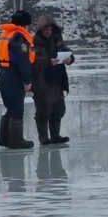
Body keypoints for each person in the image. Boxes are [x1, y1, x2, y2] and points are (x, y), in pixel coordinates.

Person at [30, 14, 75, 145]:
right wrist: (48, 61)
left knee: (58, 109)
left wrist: (69, 59)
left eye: (50, 29)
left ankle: (55, 136)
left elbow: (69, 52)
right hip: (42, 81)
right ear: (40, 30)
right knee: (43, 110)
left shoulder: (58, 40)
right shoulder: (33, 42)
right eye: (45, 29)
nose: (48, 32)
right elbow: (31, 61)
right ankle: (43, 137)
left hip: (58, 79)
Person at [0, 10, 35, 149]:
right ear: (26, 25)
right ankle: (16, 141)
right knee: (17, 108)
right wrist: (28, 80)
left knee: (11, 107)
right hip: (14, 76)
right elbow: (22, 61)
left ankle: (4, 138)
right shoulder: (19, 38)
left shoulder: (6, 34)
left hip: (3, 74)